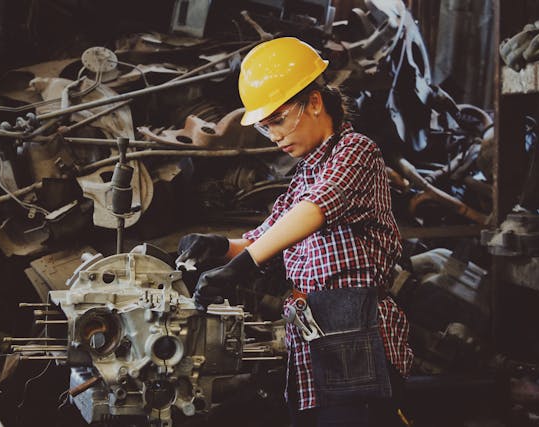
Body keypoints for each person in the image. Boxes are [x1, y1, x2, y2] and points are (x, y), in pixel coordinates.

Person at [176, 37, 413, 427]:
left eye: (279, 120)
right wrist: (218, 247)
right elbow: (263, 238)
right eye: (267, 127)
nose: (274, 136)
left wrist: (243, 266)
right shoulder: (304, 175)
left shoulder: (356, 151)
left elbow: (314, 210)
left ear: (315, 102)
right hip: (311, 333)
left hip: (355, 332)